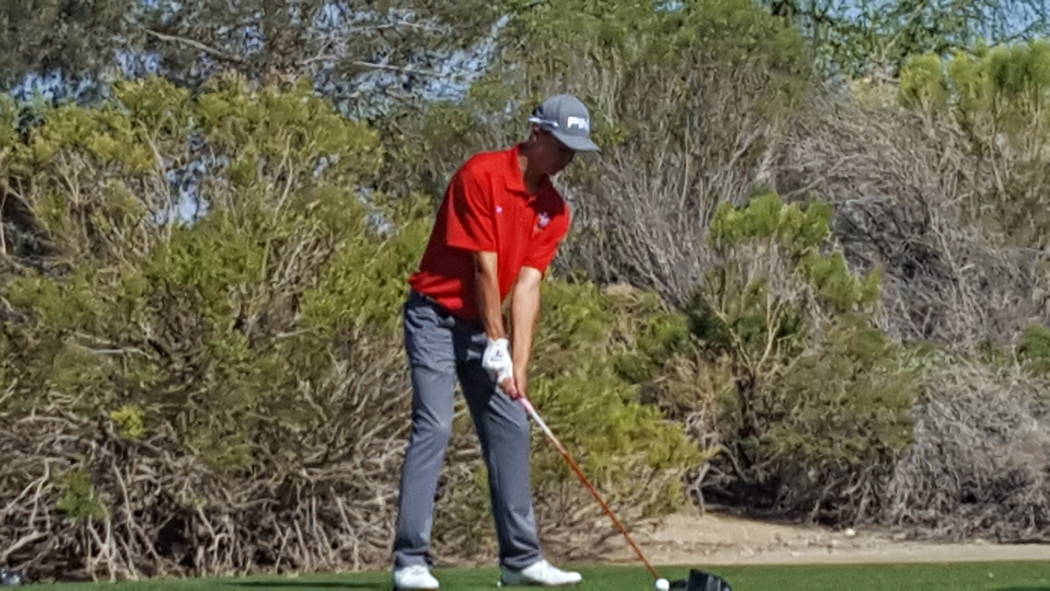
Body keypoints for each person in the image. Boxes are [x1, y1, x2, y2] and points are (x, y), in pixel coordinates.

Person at [391, 94, 600, 590]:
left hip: (484, 331)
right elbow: (484, 267)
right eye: (562, 145)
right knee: (435, 427)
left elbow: (527, 285)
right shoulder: (481, 175)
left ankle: (520, 560)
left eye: (575, 149)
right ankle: (410, 562)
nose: (567, 159)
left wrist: (518, 365)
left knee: (512, 426)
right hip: (434, 319)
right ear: (536, 133)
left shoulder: (554, 209)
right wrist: (497, 342)